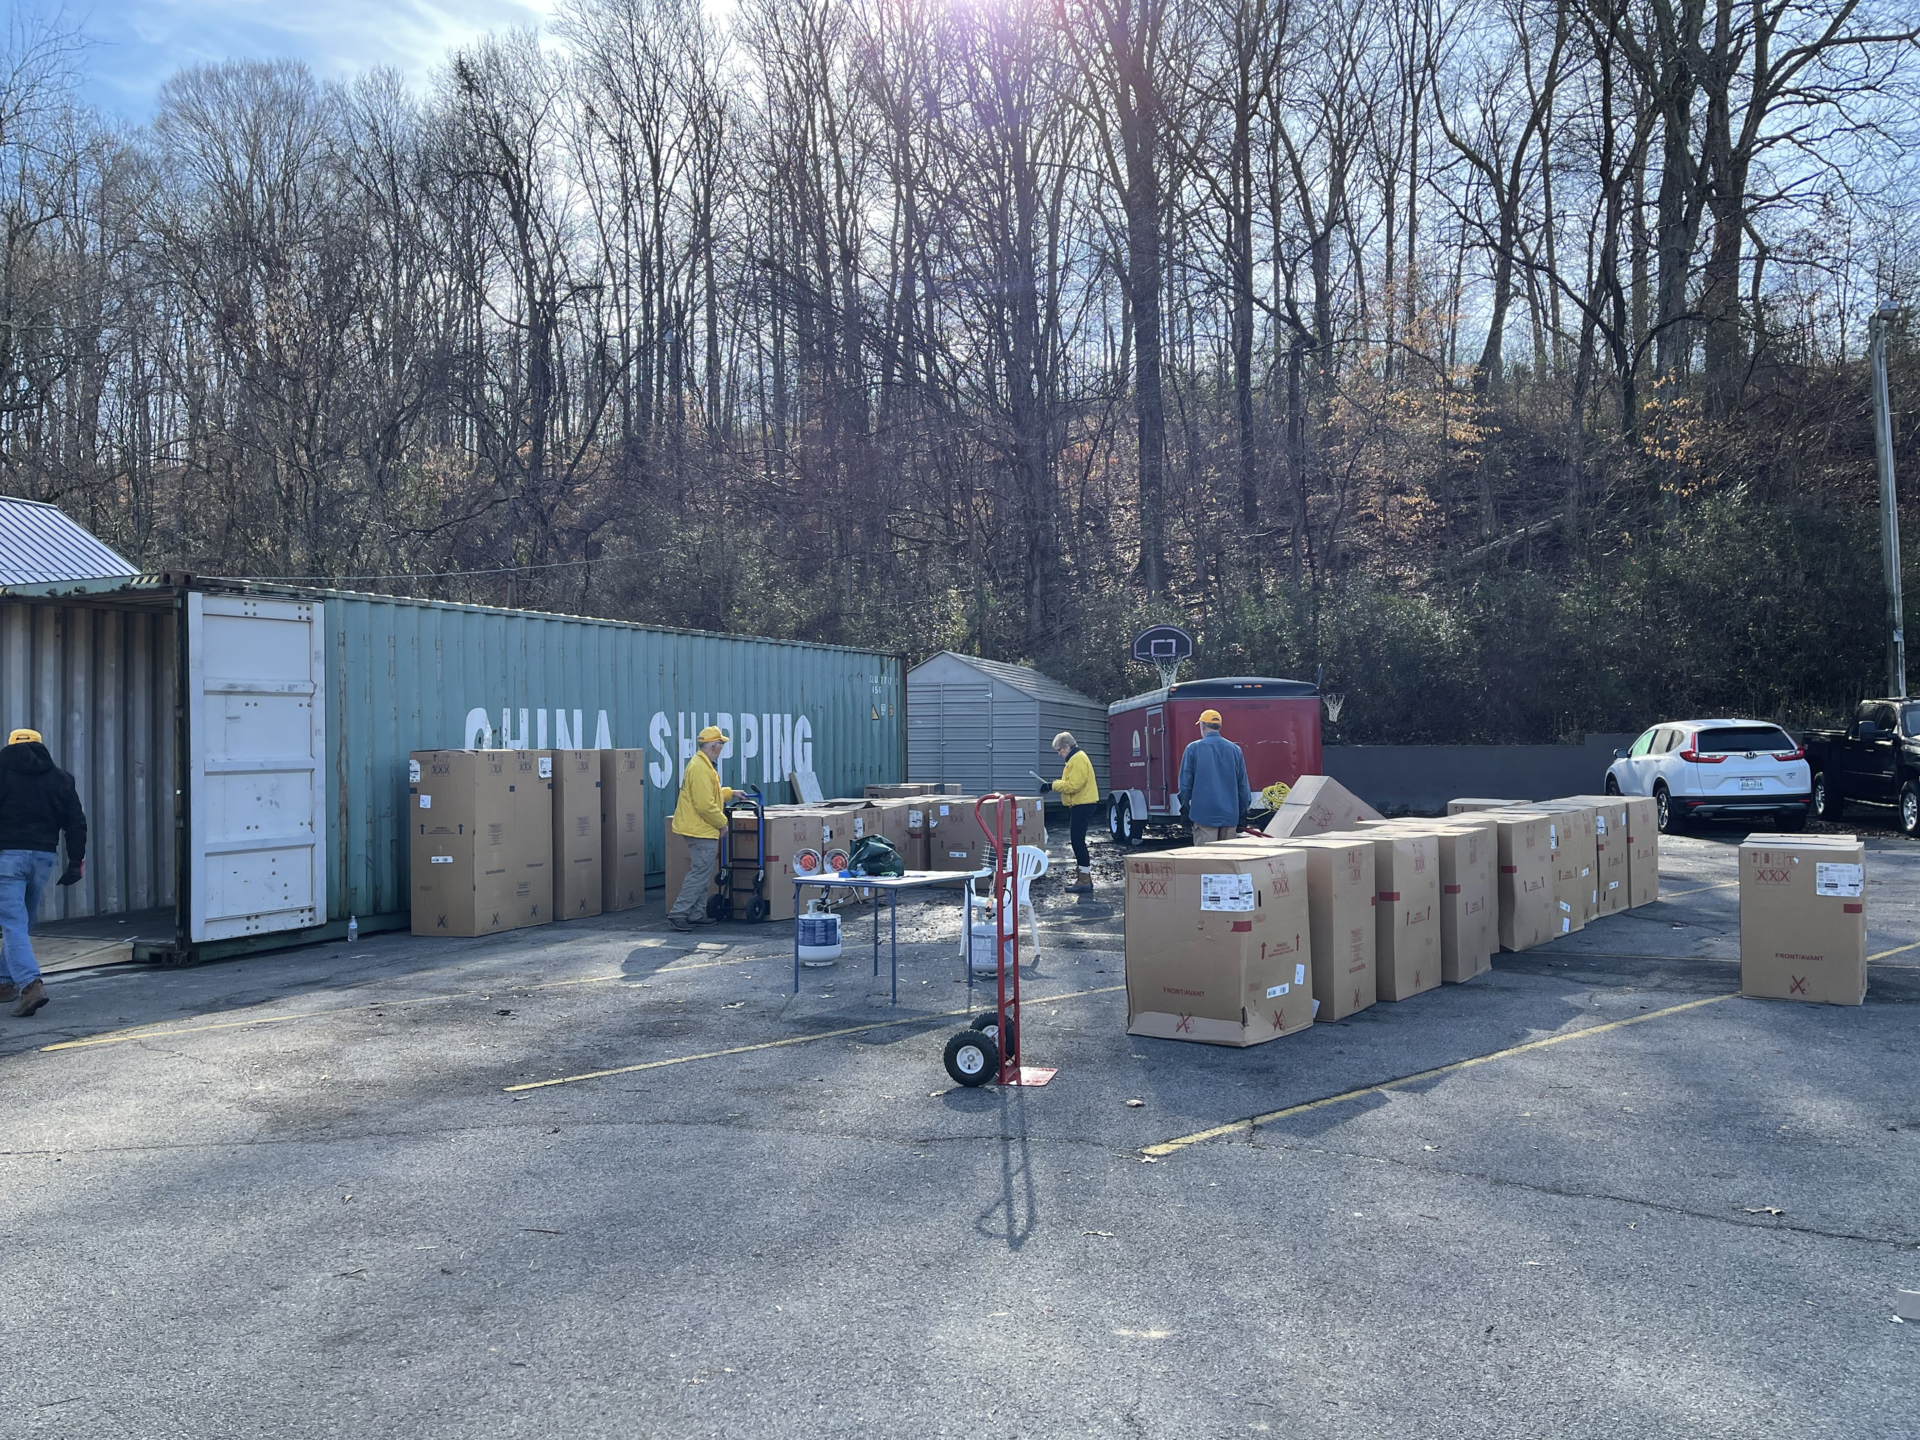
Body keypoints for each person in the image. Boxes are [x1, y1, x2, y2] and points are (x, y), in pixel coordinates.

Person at [0, 727, 88, 1017]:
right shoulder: (60, 778)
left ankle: (30, 985)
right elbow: (75, 822)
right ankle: (4, 982)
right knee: (20, 922)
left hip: (7, 857)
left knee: (12, 922)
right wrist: (75, 861)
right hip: (42, 857)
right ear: (41, 745)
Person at [668, 724, 737, 932]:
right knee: (699, 874)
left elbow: (710, 795)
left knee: (703, 873)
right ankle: (679, 913)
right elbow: (704, 804)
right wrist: (722, 822)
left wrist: (731, 793)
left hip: (699, 828)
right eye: (721, 745)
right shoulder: (700, 768)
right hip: (700, 829)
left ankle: (696, 914)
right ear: (714, 746)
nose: (722, 748)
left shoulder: (702, 764)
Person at [1037, 731, 1101, 892]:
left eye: (1059, 750)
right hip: (1081, 803)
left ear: (1066, 746)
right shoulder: (1077, 758)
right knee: (1077, 841)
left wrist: (1052, 785)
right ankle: (1084, 878)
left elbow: (1073, 785)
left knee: (1077, 841)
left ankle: (1084, 880)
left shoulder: (1077, 759)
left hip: (1082, 804)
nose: (1059, 753)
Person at [1177, 709, 1251, 845]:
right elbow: (1243, 786)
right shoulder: (1235, 750)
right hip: (1230, 816)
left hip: (1203, 814)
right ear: (1219, 726)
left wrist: (1185, 808)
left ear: (1203, 726)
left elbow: (1185, 785)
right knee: (1227, 862)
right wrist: (1242, 812)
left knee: (1206, 862)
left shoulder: (1192, 749)